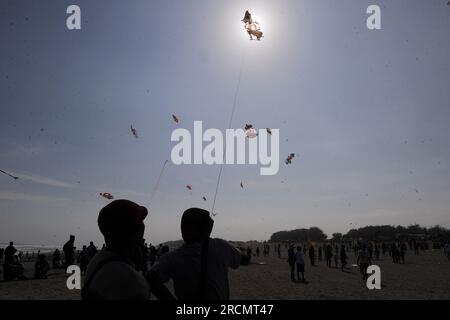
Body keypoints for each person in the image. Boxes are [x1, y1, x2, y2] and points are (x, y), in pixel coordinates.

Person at [147, 208, 250, 300]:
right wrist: (242, 252)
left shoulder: (172, 257)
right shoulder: (220, 246)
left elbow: (151, 277)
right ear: (206, 228)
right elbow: (245, 260)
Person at [82, 199, 150, 300]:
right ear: (134, 231)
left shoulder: (98, 260)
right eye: (140, 222)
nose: (143, 226)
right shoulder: (130, 280)